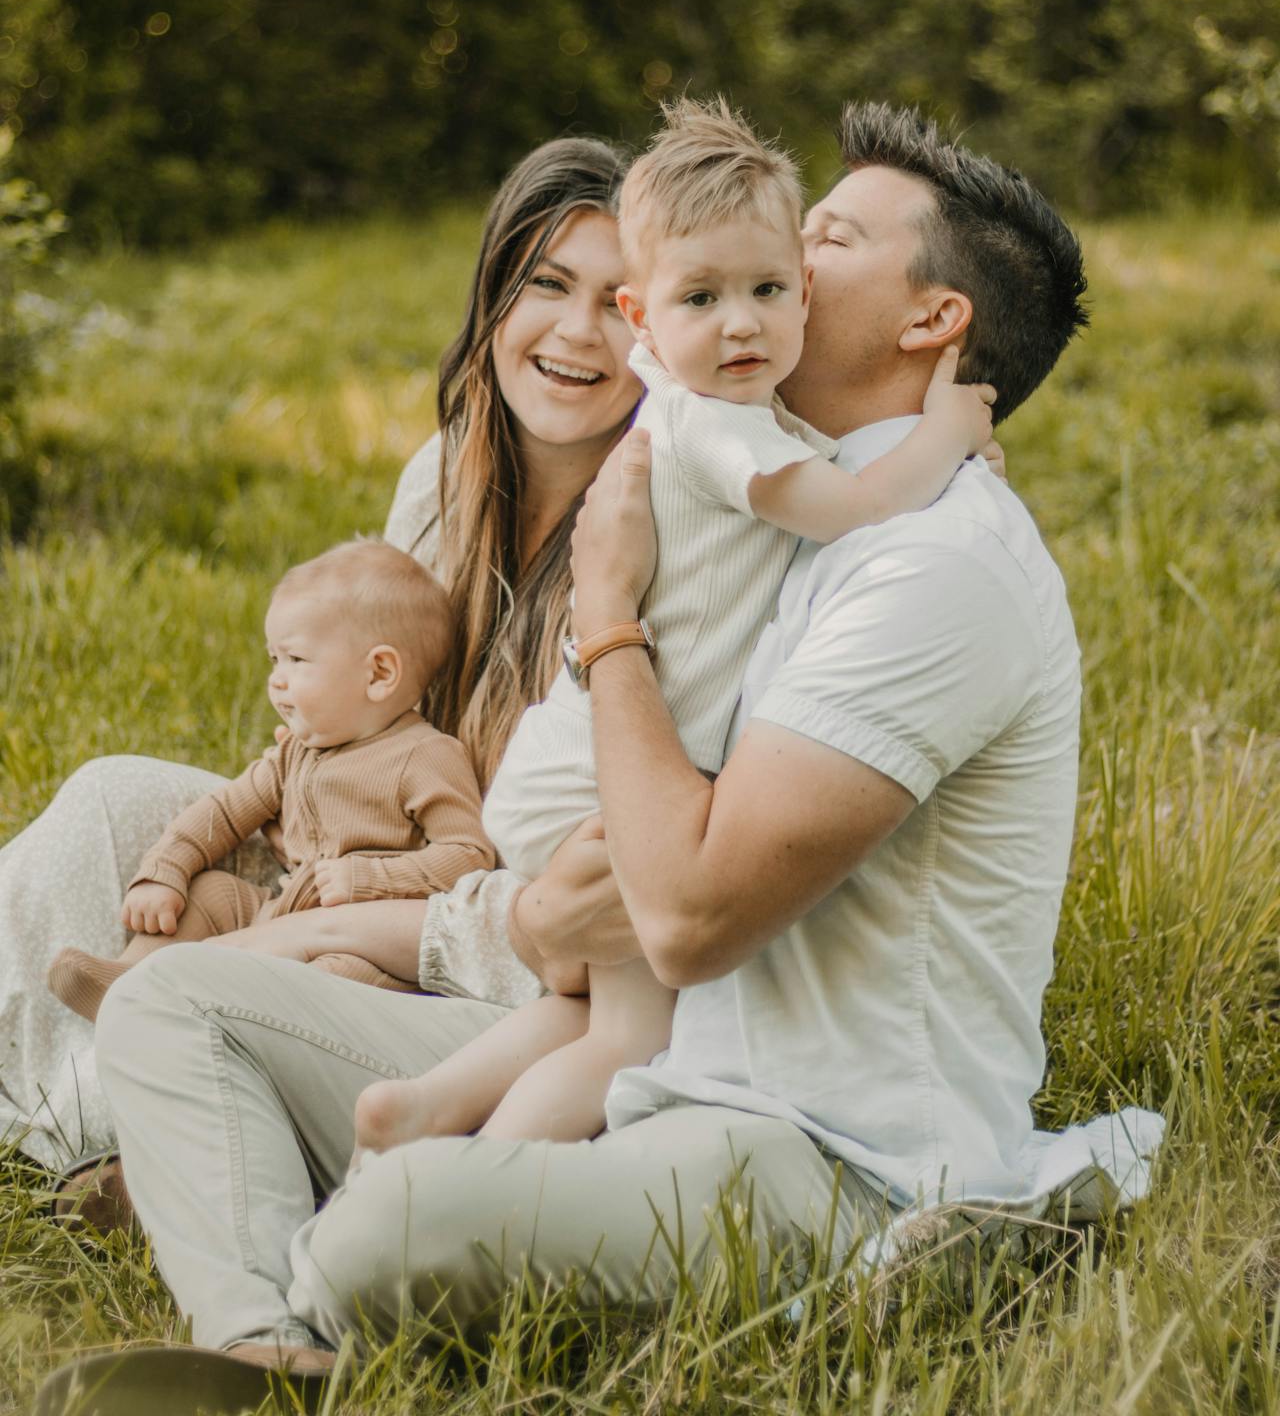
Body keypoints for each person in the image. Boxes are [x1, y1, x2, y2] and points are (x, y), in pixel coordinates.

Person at [78, 100, 1107, 1403]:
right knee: (173, 1005)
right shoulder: (739, 476)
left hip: (810, 1143)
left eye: (828, 233)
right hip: (624, 1048)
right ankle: (257, 1351)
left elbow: (679, 919)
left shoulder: (937, 567)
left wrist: (608, 616)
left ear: (931, 319)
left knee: (387, 1233)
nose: (780, 236)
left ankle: (339, 1250)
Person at [353, 106, 994, 1156]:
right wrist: (946, 434)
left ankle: (419, 1110)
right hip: (593, 783)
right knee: (630, 1042)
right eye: (704, 299)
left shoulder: (696, 395)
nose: (741, 326)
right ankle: (468, 1186)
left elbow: (827, 461)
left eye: (768, 291)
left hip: (578, 768)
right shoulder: (715, 429)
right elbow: (854, 507)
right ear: (644, 315)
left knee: (597, 1022)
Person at [0, 135, 640, 1180]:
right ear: (495, 298)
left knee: (291, 970)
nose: (577, 331)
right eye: (548, 284)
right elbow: (353, 713)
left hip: (484, 949)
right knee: (114, 799)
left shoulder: (658, 529)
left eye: (618, 301)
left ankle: (94, 1134)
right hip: (348, 865)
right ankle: (88, 1106)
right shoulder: (444, 479)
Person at [46, 539, 492, 1023]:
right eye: (272, 660)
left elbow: (469, 856)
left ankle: (213, 1016)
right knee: (213, 893)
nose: (276, 680)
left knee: (338, 977)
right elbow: (223, 811)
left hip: (368, 945)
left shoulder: (426, 756)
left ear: (380, 673)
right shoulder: (295, 754)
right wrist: (165, 868)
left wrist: (369, 878)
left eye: (296, 660)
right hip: (278, 914)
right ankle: (128, 978)